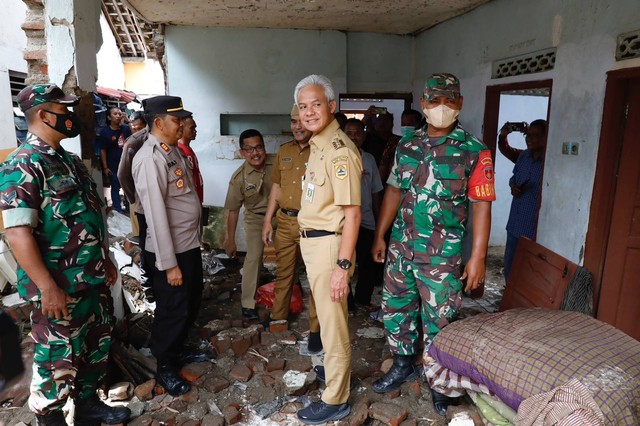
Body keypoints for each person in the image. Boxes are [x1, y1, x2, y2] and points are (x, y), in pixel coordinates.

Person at [0, 84, 130, 426]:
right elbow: (17, 233)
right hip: (59, 287)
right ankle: (52, 418)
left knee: (93, 346)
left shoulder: (68, 161)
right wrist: (46, 287)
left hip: (91, 277)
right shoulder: (23, 165)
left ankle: (88, 406)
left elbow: (91, 214)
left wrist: (107, 258)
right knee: (57, 358)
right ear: (44, 115)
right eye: (64, 111)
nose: (71, 117)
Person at [370, 73, 495, 416]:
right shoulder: (407, 146)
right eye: (435, 101)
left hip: (441, 255)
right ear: (423, 104)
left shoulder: (475, 151)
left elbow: (482, 205)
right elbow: (394, 190)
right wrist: (381, 235)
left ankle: (441, 381)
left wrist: (478, 257)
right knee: (397, 308)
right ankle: (403, 362)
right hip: (401, 247)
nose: (442, 107)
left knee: (441, 318)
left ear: (460, 104)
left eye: (450, 101)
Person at [294, 74, 362, 425]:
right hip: (314, 244)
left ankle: (336, 398)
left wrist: (342, 265)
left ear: (331, 106)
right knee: (325, 316)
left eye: (315, 104)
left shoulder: (339, 152)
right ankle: (333, 377)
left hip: (329, 245)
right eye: (303, 106)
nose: (308, 112)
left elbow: (352, 214)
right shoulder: (318, 145)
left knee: (333, 323)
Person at [132, 95, 202, 397]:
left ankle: (177, 352)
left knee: (189, 302)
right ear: (158, 122)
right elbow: (157, 216)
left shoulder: (170, 150)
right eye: (177, 120)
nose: (182, 125)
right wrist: (169, 264)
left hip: (187, 246)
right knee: (172, 309)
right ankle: (165, 367)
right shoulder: (150, 158)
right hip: (170, 252)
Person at [262, 105, 323, 355]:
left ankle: (317, 331)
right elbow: (276, 186)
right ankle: (278, 319)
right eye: (293, 121)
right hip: (286, 221)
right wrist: (268, 221)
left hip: (313, 222)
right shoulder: (284, 151)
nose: (297, 126)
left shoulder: (322, 151)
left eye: (302, 121)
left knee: (316, 279)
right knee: (284, 273)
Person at [224, 129, 275, 320]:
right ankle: (248, 303)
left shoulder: (278, 163)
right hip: (256, 219)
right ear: (242, 152)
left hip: (281, 215)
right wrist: (230, 241)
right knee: (253, 258)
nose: (255, 153)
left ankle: (289, 292)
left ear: (264, 147)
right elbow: (233, 210)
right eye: (249, 149)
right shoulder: (238, 179)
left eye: (259, 147)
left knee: (291, 253)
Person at [343, 118, 384, 310]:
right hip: (343, 222)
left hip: (366, 220)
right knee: (345, 263)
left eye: (358, 133)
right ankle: (347, 303)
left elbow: (375, 190)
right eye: (349, 133)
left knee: (367, 263)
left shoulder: (369, 159)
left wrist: (377, 218)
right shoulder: (338, 158)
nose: (354, 137)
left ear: (364, 135)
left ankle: (362, 299)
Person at [503, 119, 547, 281]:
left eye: (536, 136)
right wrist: (513, 186)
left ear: (546, 137)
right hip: (515, 223)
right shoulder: (524, 156)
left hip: (534, 228)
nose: (530, 139)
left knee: (529, 274)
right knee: (509, 268)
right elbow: (513, 178)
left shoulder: (550, 161)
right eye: (528, 135)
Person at [177, 116, 209, 236]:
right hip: (190, 202)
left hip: (197, 199)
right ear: (182, 128)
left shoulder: (188, 149)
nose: (195, 131)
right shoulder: (181, 151)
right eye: (192, 128)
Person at [378, 109, 424, 185]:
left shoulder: (424, 144)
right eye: (403, 123)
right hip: (393, 185)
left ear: (418, 124)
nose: (406, 127)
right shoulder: (394, 142)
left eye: (410, 124)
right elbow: (384, 167)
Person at [99, 107, 131, 213]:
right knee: (115, 188)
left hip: (127, 164)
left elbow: (137, 134)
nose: (118, 115)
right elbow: (103, 150)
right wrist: (105, 167)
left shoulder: (126, 129)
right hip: (113, 165)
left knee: (128, 187)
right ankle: (117, 209)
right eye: (115, 114)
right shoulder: (105, 132)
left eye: (119, 113)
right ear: (109, 117)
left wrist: (128, 121)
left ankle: (129, 208)